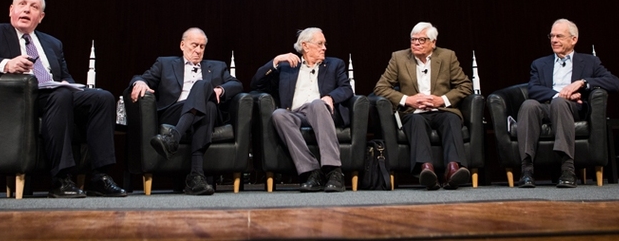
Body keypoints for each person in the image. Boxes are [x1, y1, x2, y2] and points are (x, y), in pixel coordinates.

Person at [0, 0, 126, 198]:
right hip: (21, 100)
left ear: (41, 17)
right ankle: (61, 179)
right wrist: (6, 64)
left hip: (55, 94)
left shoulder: (52, 43)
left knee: (102, 98)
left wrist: (68, 83)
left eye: (34, 7)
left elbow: (65, 76)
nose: (27, 9)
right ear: (11, 10)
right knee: (62, 95)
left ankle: (99, 177)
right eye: (22, 4)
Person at [128, 27, 242, 195]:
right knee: (207, 104)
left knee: (206, 94)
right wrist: (139, 83)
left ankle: (173, 138)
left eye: (202, 47)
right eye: (194, 45)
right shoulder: (164, 63)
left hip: (207, 114)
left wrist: (220, 90)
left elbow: (237, 84)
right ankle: (195, 177)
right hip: (175, 111)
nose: (198, 50)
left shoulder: (217, 67)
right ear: (182, 45)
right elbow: (142, 77)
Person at [515, 18, 619, 189]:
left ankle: (567, 169)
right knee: (528, 105)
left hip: (574, 108)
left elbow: (614, 82)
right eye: (552, 36)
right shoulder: (540, 63)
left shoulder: (589, 62)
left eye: (559, 36)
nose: (554, 40)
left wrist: (583, 83)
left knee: (560, 105)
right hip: (547, 105)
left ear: (573, 40)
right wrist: (561, 94)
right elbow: (533, 89)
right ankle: (526, 170)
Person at [373, 22, 473, 190]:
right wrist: (408, 99)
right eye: (413, 40)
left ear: (433, 42)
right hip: (414, 112)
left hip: (442, 110)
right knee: (417, 122)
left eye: (421, 40)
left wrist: (442, 100)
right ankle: (426, 170)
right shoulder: (399, 58)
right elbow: (380, 87)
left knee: (451, 119)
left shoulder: (447, 56)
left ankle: (453, 169)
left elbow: (465, 86)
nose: (416, 43)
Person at [250, 27, 351, 192]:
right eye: (320, 44)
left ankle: (333, 171)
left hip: (322, 112)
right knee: (278, 115)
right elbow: (256, 84)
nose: (324, 47)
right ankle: (312, 172)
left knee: (317, 104)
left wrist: (330, 97)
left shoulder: (334, 64)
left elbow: (346, 89)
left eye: (324, 44)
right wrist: (275, 61)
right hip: (296, 114)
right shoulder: (288, 67)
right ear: (305, 46)